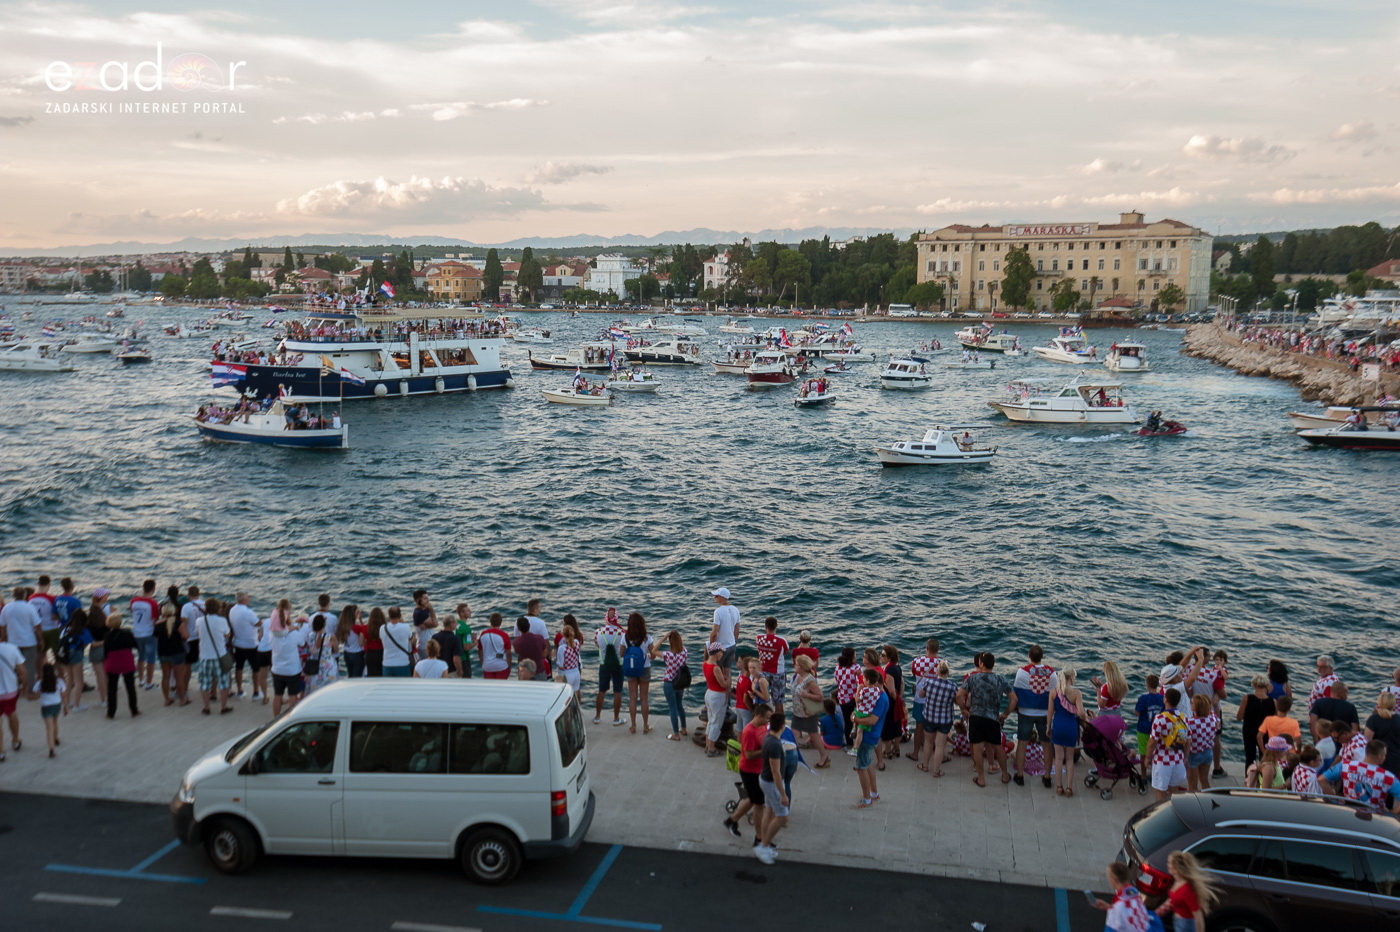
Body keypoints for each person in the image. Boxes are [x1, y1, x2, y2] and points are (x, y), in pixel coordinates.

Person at [958, 651, 1012, 787]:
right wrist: (1005, 714)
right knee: (997, 747)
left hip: (976, 717)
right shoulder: (1001, 679)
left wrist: (964, 708)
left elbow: (959, 696)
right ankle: (1005, 775)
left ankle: (981, 778)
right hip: (993, 718)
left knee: (977, 748)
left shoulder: (972, 679)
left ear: (981, 663)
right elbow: (1014, 699)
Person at [723, 702, 772, 845]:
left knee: (752, 799)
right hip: (750, 771)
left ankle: (731, 821)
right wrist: (767, 751)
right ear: (758, 716)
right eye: (767, 718)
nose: (768, 721)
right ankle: (759, 838)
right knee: (758, 803)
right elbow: (749, 755)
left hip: (760, 768)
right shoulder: (749, 731)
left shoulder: (762, 727)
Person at [1010, 644, 1054, 788]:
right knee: (1047, 744)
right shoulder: (1052, 673)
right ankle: (1047, 777)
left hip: (1025, 712)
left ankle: (1020, 775)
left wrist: (1015, 709)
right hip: (1044, 713)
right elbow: (1055, 695)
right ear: (1042, 657)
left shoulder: (1022, 672)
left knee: (1022, 743)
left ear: (1029, 656)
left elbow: (1016, 693)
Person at [1319, 739, 1400, 813]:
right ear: (1379, 756)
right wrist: (1392, 814)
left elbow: (1321, 780)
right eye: (1384, 755)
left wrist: (1335, 799)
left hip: (1349, 812)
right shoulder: (1388, 777)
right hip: (1375, 818)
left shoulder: (1346, 765)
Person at [1156, 850, 1221, 932]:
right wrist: (1156, 913)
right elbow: (1173, 900)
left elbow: (1198, 915)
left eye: (1169, 863)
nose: (1167, 865)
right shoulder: (1178, 881)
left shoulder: (1186, 890)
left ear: (1177, 867)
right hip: (1177, 920)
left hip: (1186, 925)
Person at [852, 669, 890, 808]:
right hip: (873, 736)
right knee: (868, 764)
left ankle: (866, 799)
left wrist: (855, 719)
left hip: (868, 736)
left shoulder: (880, 699)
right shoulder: (880, 696)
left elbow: (872, 720)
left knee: (861, 767)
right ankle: (873, 793)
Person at [755, 712, 789, 865]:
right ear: (782, 726)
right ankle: (763, 846)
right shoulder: (775, 744)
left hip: (764, 779)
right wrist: (783, 794)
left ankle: (763, 842)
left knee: (769, 811)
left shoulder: (768, 738)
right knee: (782, 816)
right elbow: (776, 772)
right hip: (770, 783)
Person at [1048, 668, 1087, 796]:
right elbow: (1081, 713)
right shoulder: (1076, 693)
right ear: (1071, 678)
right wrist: (1085, 717)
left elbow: (1050, 713)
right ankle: (1069, 788)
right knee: (1069, 759)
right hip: (1071, 728)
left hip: (1058, 727)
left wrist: (1048, 727)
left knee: (1058, 758)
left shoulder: (1053, 692)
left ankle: (1059, 787)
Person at [1147, 687, 1189, 801]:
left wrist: (1147, 758)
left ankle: (1161, 816)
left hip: (1162, 760)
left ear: (1165, 700)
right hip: (1178, 760)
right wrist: (1185, 757)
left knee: (1160, 793)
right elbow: (1188, 740)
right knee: (1174, 794)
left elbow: (1152, 741)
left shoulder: (1160, 718)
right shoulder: (1184, 717)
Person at [917, 661, 957, 776]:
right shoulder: (952, 687)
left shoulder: (929, 682)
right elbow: (956, 701)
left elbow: (921, 695)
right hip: (945, 720)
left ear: (937, 671)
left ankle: (925, 766)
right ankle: (936, 771)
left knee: (928, 742)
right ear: (948, 672)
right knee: (940, 745)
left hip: (929, 717)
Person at [789, 654, 829, 767]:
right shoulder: (796, 676)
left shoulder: (810, 681)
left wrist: (806, 694)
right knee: (793, 737)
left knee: (814, 737)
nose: (794, 666)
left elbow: (820, 697)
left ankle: (824, 757)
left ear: (802, 666)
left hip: (807, 714)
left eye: (796, 665)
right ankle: (793, 761)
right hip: (797, 712)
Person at [1091, 862, 1153, 931]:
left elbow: (1112, 928)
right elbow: (1128, 912)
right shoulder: (1134, 893)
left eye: (1108, 877)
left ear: (1114, 879)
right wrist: (1109, 907)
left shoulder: (1119, 904)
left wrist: (1113, 911)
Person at [908, 638, 941, 764]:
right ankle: (938, 755)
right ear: (938, 650)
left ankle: (915, 753)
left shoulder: (917, 661)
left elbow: (913, 673)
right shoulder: (942, 663)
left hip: (920, 699)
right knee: (936, 728)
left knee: (919, 726)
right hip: (934, 701)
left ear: (927, 648)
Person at [102, 610, 140, 720]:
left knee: (112, 688)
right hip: (126, 661)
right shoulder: (128, 633)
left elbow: (105, 652)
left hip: (112, 662)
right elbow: (136, 646)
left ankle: (111, 712)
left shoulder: (107, 636)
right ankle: (134, 710)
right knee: (130, 687)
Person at [1, 586, 42, 685]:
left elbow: (2, 625)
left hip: (13, 641)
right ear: (24, 595)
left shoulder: (7, 607)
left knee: (14, 667)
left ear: (14, 596)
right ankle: (29, 691)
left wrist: (4, 637)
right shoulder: (29, 607)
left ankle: (15, 687)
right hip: (29, 641)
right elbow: (37, 625)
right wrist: (41, 639)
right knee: (30, 667)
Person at [1235, 674, 1276, 770]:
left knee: (1250, 757)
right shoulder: (1273, 701)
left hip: (1249, 730)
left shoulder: (1247, 698)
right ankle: (1263, 778)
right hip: (1265, 732)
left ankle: (1249, 779)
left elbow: (1239, 716)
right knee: (1264, 756)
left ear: (1254, 685)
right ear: (1266, 686)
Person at [268, 616, 308, 717]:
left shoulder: (272, 634)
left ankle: (275, 718)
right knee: (292, 696)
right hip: (292, 670)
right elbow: (302, 644)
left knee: (277, 695)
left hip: (277, 669)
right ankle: (291, 718)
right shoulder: (294, 633)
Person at [56, 606, 92, 713]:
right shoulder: (83, 630)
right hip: (75, 653)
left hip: (63, 655)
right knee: (79, 681)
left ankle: (67, 702)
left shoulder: (65, 628)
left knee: (69, 679)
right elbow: (86, 643)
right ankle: (77, 705)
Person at [655, 629, 688, 740]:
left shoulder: (667, 655)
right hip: (680, 682)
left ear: (670, 642)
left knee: (672, 708)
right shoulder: (685, 651)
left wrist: (663, 638)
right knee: (680, 706)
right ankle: (683, 728)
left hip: (669, 683)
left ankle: (675, 734)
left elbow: (654, 650)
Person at [622, 612, 652, 733]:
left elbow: (620, 654)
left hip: (630, 668)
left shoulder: (625, 638)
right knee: (644, 698)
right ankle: (645, 726)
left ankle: (633, 725)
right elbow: (653, 655)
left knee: (632, 698)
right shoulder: (647, 638)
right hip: (644, 668)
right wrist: (647, 655)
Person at [592, 610, 624, 723]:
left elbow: (597, 644)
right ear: (616, 619)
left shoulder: (599, 631)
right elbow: (624, 648)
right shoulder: (621, 633)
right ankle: (616, 718)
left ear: (606, 618)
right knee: (618, 692)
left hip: (603, 664)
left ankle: (597, 717)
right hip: (618, 665)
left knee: (601, 691)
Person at [152, 603, 186, 707]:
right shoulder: (178, 623)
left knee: (165, 677)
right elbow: (185, 635)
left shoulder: (157, 624)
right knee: (179, 677)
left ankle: (167, 699)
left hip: (163, 652)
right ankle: (182, 700)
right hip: (177, 652)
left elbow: (156, 639)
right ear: (174, 611)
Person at [129, 579, 160, 691]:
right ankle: (149, 682)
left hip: (137, 632)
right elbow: (154, 620)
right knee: (151, 659)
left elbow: (132, 613)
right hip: (149, 633)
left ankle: (141, 680)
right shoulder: (153, 603)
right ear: (153, 589)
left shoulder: (133, 601)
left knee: (141, 656)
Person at [228, 593, 261, 699]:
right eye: (248, 597)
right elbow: (257, 623)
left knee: (239, 667)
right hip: (251, 643)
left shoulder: (232, 610)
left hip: (238, 642)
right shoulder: (248, 612)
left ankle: (239, 690)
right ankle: (256, 692)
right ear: (244, 599)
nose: (249, 599)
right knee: (255, 668)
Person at [1185, 693, 1220, 792]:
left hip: (1194, 754)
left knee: (1192, 785)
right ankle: (1209, 800)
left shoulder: (1190, 722)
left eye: (1192, 704)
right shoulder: (1213, 718)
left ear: (1195, 708)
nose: (1190, 705)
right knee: (1204, 780)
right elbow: (1217, 720)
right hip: (1208, 752)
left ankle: (1195, 805)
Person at [755, 616, 789, 715]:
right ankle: (779, 724)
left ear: (765, 626)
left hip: (763, 672)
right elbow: (786, 651)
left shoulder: (759, 638)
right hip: (778, 672)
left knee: (762, 698)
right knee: (778, 701)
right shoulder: (781, 640)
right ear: (776, 626)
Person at [0, 636, 27, 759]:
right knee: (12, 713)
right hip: (9, 689)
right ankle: (15, 740)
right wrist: (25, 686)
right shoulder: (12, 648)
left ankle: (1, 751)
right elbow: (22, 671)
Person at [702, 646, 730, 757]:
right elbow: (723, 684)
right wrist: (728, 680)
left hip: (709, 693)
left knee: (711, 720)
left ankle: (708, 745)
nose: (722, 655)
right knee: (716, 722)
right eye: (721, 653)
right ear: (716, 653)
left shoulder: (705, 664)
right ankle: (712, 748)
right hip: (717, 696)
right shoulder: (716, 668)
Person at [1365, 692, 1400, 779]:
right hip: (1395, 759)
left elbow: (1366, 740)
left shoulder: (1373, 719)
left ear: (1379, 703)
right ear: (1393, 704)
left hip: (1377, 757)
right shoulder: (1398, 719)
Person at [833, 647, 861, 750]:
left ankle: (849, 744)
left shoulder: (838, 668)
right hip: (854, 698)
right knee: (858, 720)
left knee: (847, 722)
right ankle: (859, 742)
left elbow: (837, 681)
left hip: (842, 698)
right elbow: (860, 683)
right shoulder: (856, 668)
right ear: (852, 656)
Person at [35, 662, 65, 757]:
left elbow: (36, 695)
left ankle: (51, 749)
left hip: (46, 707)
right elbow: (63, 695)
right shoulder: (59, 682)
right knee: (55, 722)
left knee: (49, 728)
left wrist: (27, 696)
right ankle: (56, 738)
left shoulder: (40, 683)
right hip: (57, 705)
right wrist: (66, 708)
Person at [303, 614, 338, 694]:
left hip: (313, 666)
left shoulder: (309, 635)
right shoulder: (330, 637)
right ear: (324, 624)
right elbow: (336, 650)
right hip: (327, 665)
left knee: (313, 690)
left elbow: (307, 647)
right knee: (329, 691)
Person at [708, 588, 740, 673]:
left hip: (721, 647)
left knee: (716, 671)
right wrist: (734, 644)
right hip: (732, 645)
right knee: (727, 671)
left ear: (722, 597)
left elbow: (714, 633)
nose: (714, 597)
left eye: (716, 596)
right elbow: (737, 630)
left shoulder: (718, 611)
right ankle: (727, 686)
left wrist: (711, 648)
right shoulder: (736, 610)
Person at [379, 607, 415, 677]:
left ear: (389, 616)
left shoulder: (382, 628)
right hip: (402, 663)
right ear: (400, 616)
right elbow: (411, 638)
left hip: (387, 663)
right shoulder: (406, 627)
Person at [428, 612, 464, 678]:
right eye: (455, 623)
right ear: (451, 624)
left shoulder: (435, 637)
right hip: (450, 671)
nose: (456, 624)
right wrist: (460, 670)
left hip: (438, 670)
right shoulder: (455, 639)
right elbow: (456, 658)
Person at [514, 617, 550, 682]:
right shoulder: (539, 638)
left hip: (524, 673)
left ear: (519, 629)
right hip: (539, 670)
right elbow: (545, 654)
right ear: (529, 626)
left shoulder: (516, 642)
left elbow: (518, 653)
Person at [557, 618, 583, 699]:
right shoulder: (577, 643)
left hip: (567, 675)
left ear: (563, 635)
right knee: (575, 696)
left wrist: (554, 659)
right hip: (576, 673)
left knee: (566, 698)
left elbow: (561, 665)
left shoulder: (562, 648)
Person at [338, 605, 365, 680]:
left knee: (351, 676)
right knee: (357, 678)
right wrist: (360, 619)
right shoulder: (357, 627)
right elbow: (364, 633)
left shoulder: (342, 626)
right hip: (357, 654)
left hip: (347, 653)